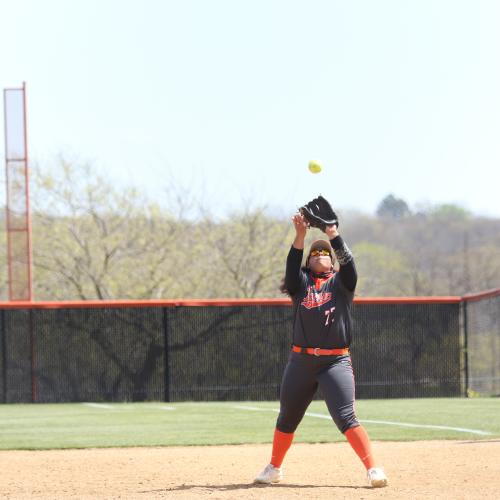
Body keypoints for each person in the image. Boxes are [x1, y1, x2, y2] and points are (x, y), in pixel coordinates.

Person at [254, 211, 388, 488]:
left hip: (335, 362)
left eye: (323, 253)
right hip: (300, 362)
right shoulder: (300, 286)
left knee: (346, 417)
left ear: (331, 259)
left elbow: (351, 268)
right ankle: (274, 468)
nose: (318, 255)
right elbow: (292, 268)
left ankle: (373, 468)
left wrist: (333, 235)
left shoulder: (341, 284)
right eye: (313, 253)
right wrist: (300, 236)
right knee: (287, 417)